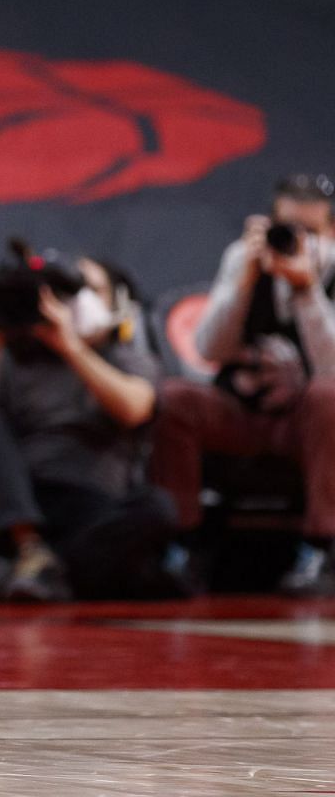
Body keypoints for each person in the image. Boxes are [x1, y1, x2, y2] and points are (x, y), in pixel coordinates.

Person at [0, 255, 177, 601]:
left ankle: (39, 573)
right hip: (20, 501)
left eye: (87, 290)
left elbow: (135, 409)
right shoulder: (12, 359)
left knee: (158, 508)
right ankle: (29, 552)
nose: (63, 305)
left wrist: (72, 347)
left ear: (114, 302)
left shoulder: (126, 357)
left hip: (91, 509)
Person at [151, 173, 335, 597]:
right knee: (175, 398)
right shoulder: (243, 259)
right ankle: (183, 541)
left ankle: (319, 548)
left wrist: (307, 291)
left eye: (310, 233)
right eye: (288, 230)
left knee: (329, 397)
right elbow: (209, 348)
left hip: (306, 421)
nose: (296, 242)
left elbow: (329, 369)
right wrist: (243, 283)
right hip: (242, 415)